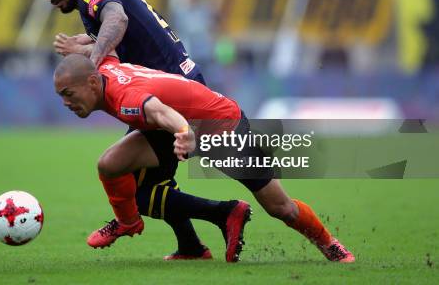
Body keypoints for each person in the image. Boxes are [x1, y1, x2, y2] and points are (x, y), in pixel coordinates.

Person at [30, 0, 232, 260]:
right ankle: (192, 246)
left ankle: (225, 213)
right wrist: (84, 46)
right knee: (150, 182)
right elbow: (113, 34)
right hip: (175, 85)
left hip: (170, 94)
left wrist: (90, 66)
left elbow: (118, 21)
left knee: (133, 185)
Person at [53, 53, 356, 263]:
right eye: (61, 96)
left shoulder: (126, 99)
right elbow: (100, 52)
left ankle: (331, 245)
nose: (66, 102)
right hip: (185, 125)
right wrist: (78, 44)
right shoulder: (102, 68)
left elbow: (160, 112)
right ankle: (128, 222)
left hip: (222, 126)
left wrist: (183, 131)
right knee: (110, 164)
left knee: (280, 207)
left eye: (69, 93)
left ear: (92, 83)